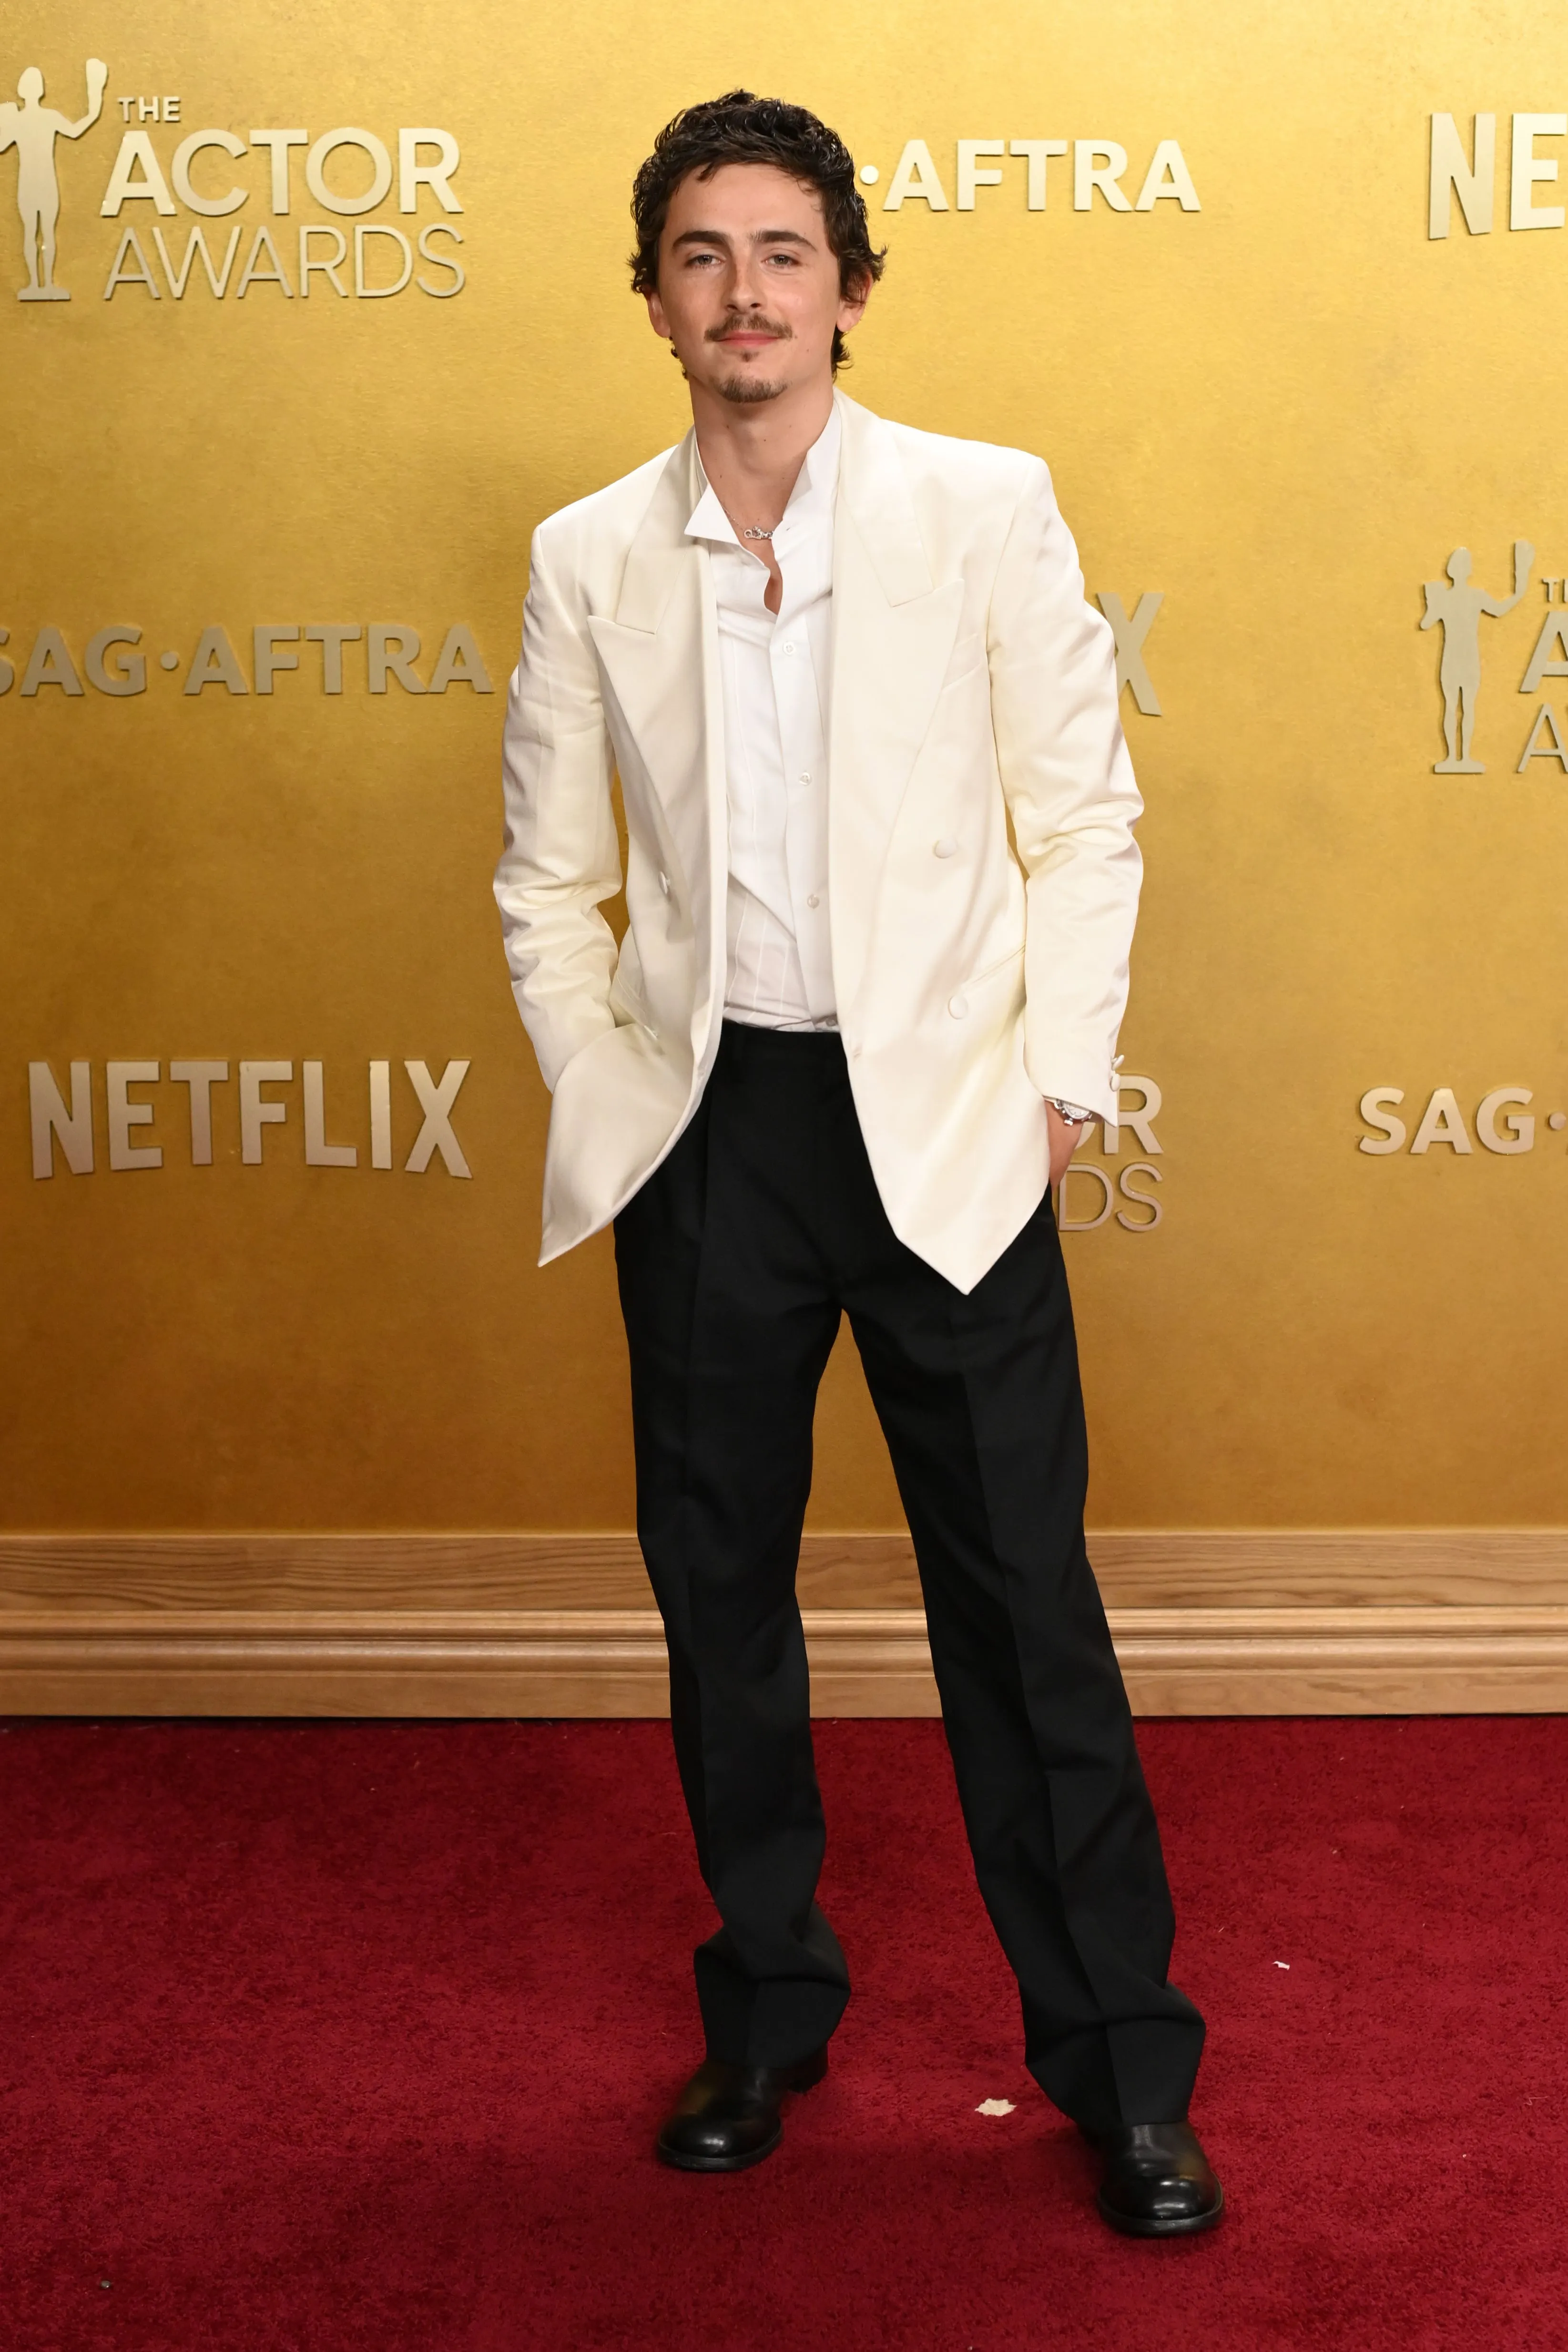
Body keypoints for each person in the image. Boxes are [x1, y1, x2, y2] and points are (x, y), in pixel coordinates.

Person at [494, 90, 1221, 2238]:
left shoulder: (986, 512)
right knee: (721, 1608)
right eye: (704, 255)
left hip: (950, 1131)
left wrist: (1062, 1082)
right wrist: (610, 1090)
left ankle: (1124, 2068)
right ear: (657, 300)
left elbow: (1082, 819)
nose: (747, 291)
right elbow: (549, 882)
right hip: (711, 1134)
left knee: (1026, 1615)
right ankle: (769, 2012)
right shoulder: (585, 556)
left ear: (851, 289)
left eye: (785, 252)